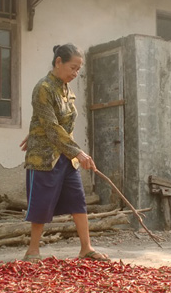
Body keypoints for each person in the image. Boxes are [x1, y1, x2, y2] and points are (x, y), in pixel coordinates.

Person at [19, 43, 109, 263]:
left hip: (65, 156)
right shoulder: (44, 88)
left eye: (79, 69)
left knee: (78, 201)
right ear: (58, 62)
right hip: (44, 157)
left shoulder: (67, 91)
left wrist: (36, 132)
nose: (75, 73)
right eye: (72, 67)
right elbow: (50, 125)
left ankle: (86, 248)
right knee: (40, 204)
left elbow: (58, 122)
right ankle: (32, 251)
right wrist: (78, 152)